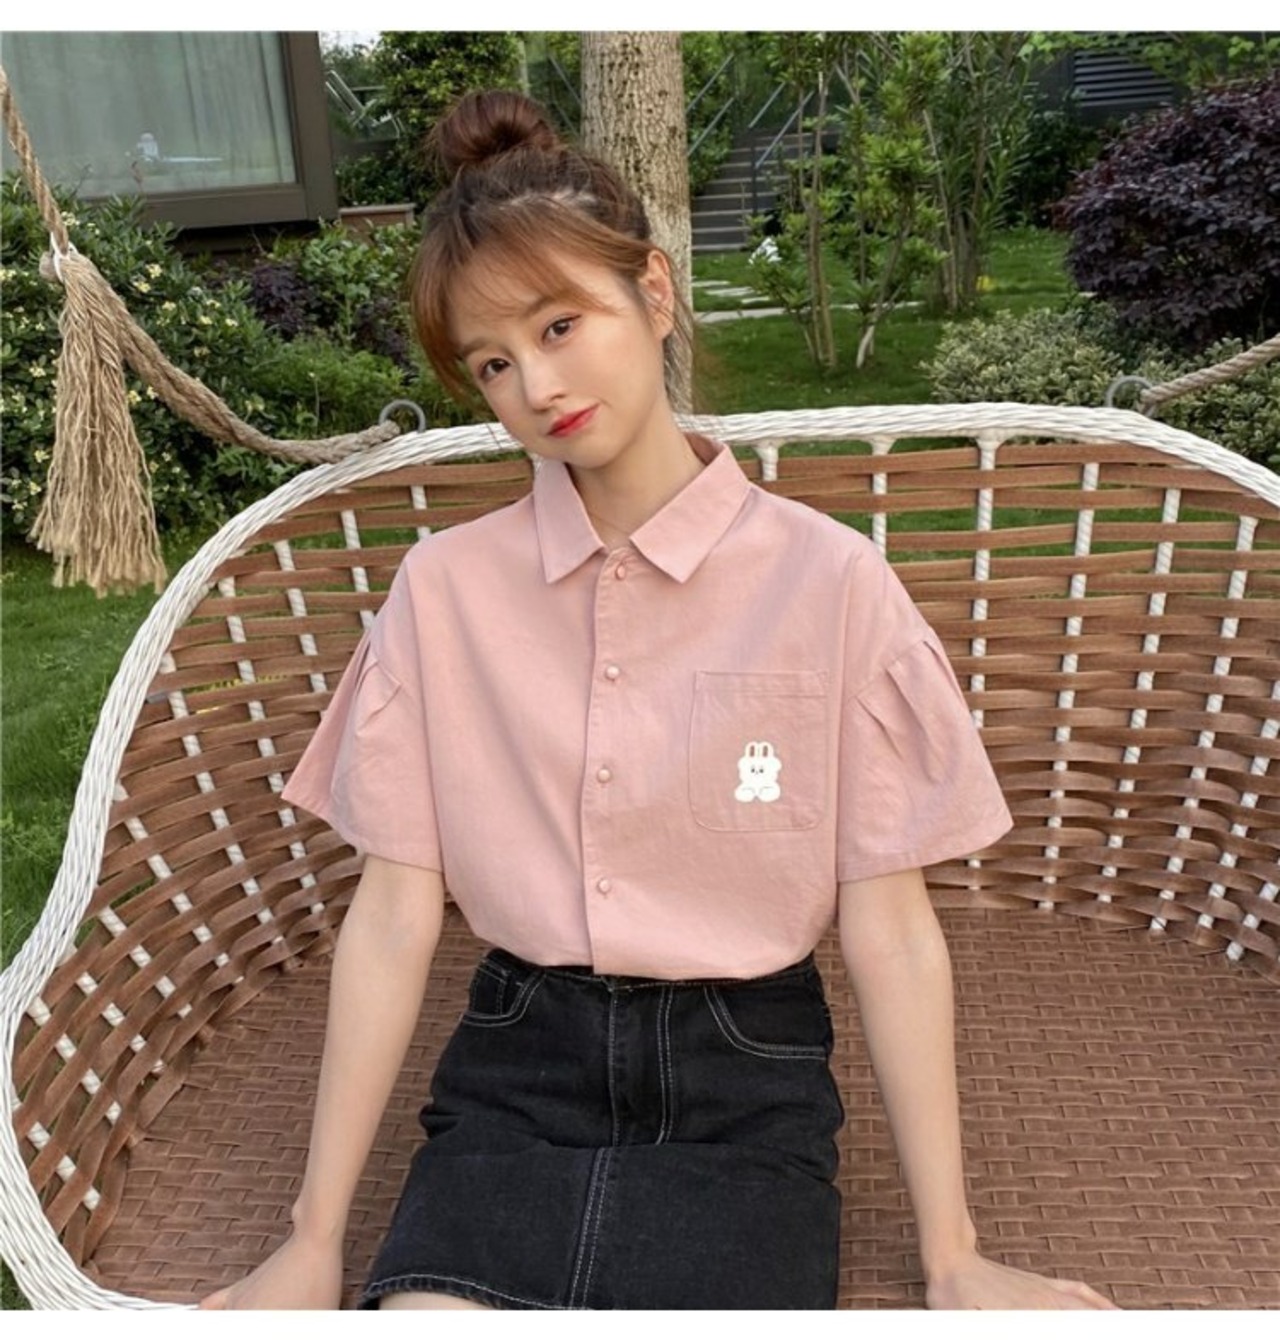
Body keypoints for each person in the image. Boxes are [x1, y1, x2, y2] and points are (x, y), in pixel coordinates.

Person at [200, 91, 1117, 1312]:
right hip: (518, 1063)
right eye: (493, 363)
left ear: (654, 291)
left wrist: (953, 1258)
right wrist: (312, 1243)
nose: (535, 385)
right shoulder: (444, 592)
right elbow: (392, 918)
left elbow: (891, 932)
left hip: (746, 1071)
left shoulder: (828, 583)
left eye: (559, 324)